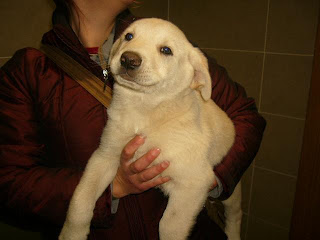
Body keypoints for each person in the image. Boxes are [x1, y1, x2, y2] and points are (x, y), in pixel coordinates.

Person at [0, 0, 266, 239]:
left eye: (164, 50)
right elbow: (11, 183)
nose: (133, 54)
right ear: (118, 50)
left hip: (194, 228)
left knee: (232, 209)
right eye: (129, 38)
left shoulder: (178, 48)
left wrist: (213, 180)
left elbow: (246, 118)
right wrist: (114, 188)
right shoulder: (29, 70)